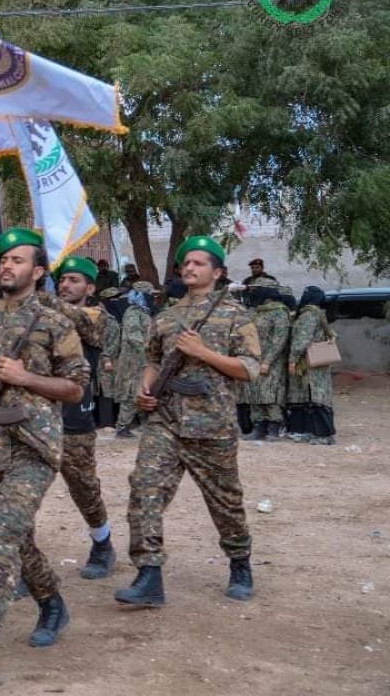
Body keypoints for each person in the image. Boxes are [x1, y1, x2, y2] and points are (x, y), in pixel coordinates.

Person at [0, 228, 89, 684]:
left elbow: (75, 387)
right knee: (18, 537)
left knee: (3, 534)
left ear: (39, 271)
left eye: (18, 260)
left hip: (34, 444)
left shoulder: (54, 323)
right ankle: (52, 604)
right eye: (3, 259)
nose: (7, 266)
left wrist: (26, 377)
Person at [115, 235, 260, 608]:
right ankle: (149, 574)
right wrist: (145, 388)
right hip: (165, 421)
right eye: (186, 263)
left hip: (212, 425)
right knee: (144, 488)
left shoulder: (235, 315)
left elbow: (249, 369)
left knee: (225, 502)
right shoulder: (166, 318)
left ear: (218, 271)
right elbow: (152, 360)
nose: (190, 268)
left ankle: (240, 562)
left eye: (199, 263)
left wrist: (203, 352)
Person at [49, 256, 116, 579]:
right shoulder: (44, 314)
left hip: (75, 416)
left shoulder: (96, 316)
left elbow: (82, 322)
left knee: (83, 487)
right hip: (37, 416)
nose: (65, 285)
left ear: (90, 287)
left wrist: (39, 296)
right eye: (62, 279)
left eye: (74, 280)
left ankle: (102, 542)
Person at [242, 277, 291, 441]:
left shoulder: (279, 312)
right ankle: (259, 427)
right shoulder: (257, 311)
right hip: (254, 359)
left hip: (271, 362)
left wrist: (267, 361)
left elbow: (279, 340)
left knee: (270, 395)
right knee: (255, 394)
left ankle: (273, 428)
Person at [286, 286, 336, 445]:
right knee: (314, 397)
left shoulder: (308, 315)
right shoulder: (319, 314)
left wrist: (293, 359)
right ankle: (313, 432)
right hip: (318, 361)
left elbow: (302, 340)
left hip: (308, 362)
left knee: (313, 396)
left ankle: (322, 435)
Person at [114, 282, 155, 438]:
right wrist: (147, 349)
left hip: (143, 360)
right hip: (133, 360)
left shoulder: (144, 313)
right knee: (131, 392)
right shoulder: (132, 312)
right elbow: (134, 336)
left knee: (144, 390)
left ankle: (143, 423)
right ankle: (122, 426)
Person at [96, 288, 125, 429]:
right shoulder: (108, 320)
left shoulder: (114, 317)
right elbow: (108, 342)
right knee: (105, 390)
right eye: (113, 299)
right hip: (106, 361)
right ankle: (106, 422)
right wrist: (106, 358)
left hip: (112, 359)